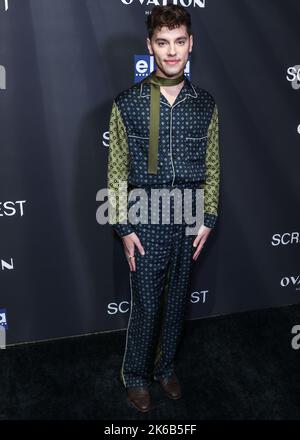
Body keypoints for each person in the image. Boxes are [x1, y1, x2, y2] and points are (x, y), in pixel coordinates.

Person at [107, 4, 220, 412]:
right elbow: (117, 167)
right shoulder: (128, 103)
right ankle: (136, 375)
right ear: (149, 47)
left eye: (179, 42)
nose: (171, 51)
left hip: (189, 217)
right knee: (147, 305)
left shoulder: (205, 104)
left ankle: (166, 367)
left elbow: (213, 163)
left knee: (177, 302)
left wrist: (207, 217)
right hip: (146, 217)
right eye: (162, 42)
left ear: (191, 45)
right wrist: (123, 226)